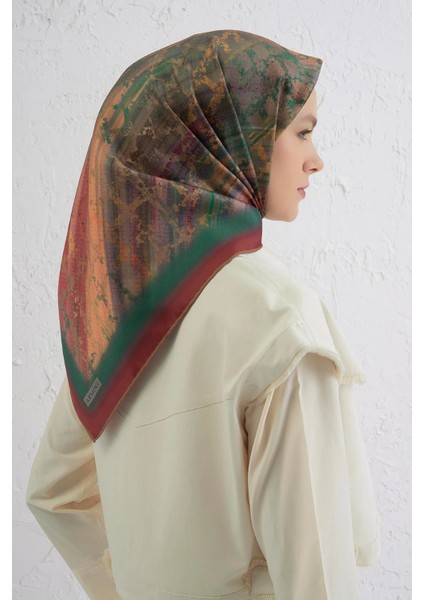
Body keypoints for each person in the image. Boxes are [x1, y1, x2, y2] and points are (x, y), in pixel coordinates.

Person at [26, 30, 381, 600]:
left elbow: (53, 492)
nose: (317, 160)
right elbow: (315, 578)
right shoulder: (280, 320)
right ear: (226, 139)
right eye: (302, 131)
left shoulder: (114, 309)